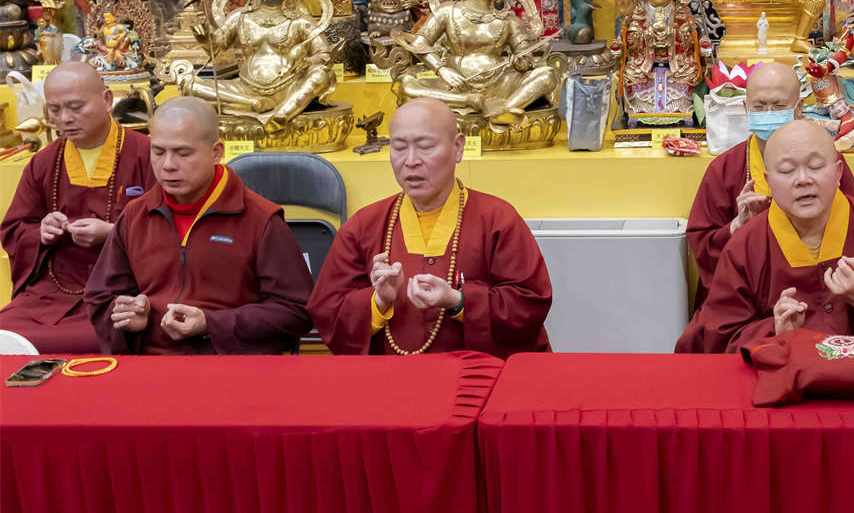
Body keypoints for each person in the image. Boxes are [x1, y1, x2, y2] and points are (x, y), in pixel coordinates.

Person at [676, 119, 854, 354]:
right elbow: (717, 338)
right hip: (783, 384)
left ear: (839, 172)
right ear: (768, 182)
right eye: (787, 170)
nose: (803, 180)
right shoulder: (746, 246)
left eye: (816, 166)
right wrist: (774, 330)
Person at [308, 98, 553, 357]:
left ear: (458, 148)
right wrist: (379, 301)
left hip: (479, 374)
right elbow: (327, 312)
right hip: (390, 377)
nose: (411, 161)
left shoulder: (498, 220)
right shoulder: (364, 226)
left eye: (425, 147)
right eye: (399, 147)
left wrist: (458, 301)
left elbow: (530, 304)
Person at [84, 97, 313, 354]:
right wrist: (129, 319)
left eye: (183, 153)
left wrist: (211, 324)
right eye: (158, 152)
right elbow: (101, 296)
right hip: (153, 361)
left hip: (232, 364)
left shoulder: (260, 219)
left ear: (216, 152)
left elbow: (297, 311)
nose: (168, 165)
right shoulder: (136, 215)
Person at [0, 63, 153, 352]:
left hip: (122, 293)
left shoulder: (145, 154)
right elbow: (14, 229)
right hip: (50, 295)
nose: (65, 119)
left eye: (75, 107)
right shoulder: (43, 162)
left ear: (107, 100)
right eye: (54, 110)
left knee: (106, 338)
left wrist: (113, 233)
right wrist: (41, 232)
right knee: (6, 337)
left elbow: (171, 230)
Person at [686, 62, 854, 295]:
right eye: (759, 106)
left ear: (798, 108)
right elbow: (701, 244)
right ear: (746, 108)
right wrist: (737, 227)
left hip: (819, 289)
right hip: (752, 292)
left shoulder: (826, 160)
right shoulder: (725, 168)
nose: (768, 113)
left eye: (778, 106)